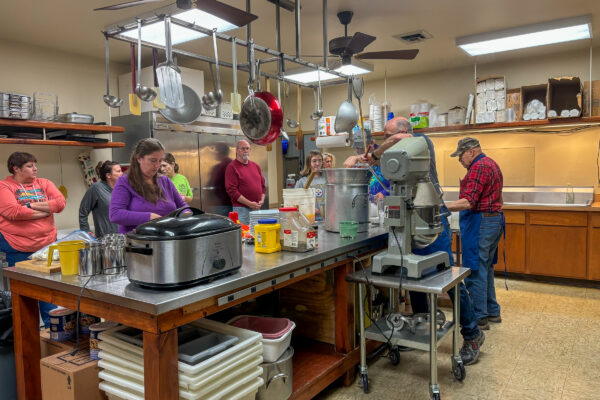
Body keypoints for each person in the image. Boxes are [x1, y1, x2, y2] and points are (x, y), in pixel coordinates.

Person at [358, 117, 484, 365]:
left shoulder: (421, 142)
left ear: (405, 131)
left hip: (431, 221)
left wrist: (373, 154)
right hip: (406, 221)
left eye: (387, 135)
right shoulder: (397, 155)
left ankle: (472, 334)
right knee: (412, 276)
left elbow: (395, 139)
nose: (386, 139)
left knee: (447, 279)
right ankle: (421, 326)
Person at [0, 152, 66, 327]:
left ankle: (51, 335)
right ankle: (28, 342)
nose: (35, 169)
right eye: (30, 166)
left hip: (46, 246)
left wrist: (28, 205)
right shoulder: (5, 186)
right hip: (18, 247)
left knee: (48, 293)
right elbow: (13, 212)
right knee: (25, 297)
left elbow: (60, 204)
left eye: (35, 165)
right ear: (16, 169)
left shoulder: (44, 183)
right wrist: (45, 210)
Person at [446, 137, 504, 331]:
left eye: (460, 156)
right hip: (493, 220)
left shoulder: (479, 167)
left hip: (482, 222)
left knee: (475, 269)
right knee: (486, 267)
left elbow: (469, 201)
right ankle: (492, 311)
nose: (459, 161)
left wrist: (442, 207)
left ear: (471, 151)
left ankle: (479, 316)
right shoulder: (491, 163)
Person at [110, 138, 188, 234]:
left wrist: (187, 214)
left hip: (166, 239)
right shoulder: (124, 182)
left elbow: (183, 206)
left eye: (159, 161)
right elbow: (115, 214)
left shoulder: (165, 181)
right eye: (153, 160)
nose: (157, 166)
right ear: (139, 158)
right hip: (137, 243)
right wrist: (149, 217)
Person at [225, 140, 266, 225]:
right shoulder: (232, 167)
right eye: (243, 149)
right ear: (237, 150)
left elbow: (263, 186)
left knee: (257, 235)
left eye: (247, 148)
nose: (246, 151)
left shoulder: (255, 166)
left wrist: (262, 200)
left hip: (257, 209)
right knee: (243, 236)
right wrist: (249, 203)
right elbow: (232, 191)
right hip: (241, 210)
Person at [79, 161, 122, 238]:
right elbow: (83, 211)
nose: (122, 173)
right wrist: (85, 231)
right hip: (105, 241)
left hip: (123, 239)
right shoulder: (96, 188)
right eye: (118, 171)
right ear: (108, 175)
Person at [295, 150, 326, 220]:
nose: (317, 163)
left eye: (320, 160)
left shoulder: (327, 179)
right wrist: (309, 208)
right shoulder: (302, 181)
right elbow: (296, 201)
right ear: (309, 163)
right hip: (308, 218)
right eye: (314, 161)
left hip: (326, 219)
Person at [208, 142, 233, 216]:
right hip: (230, 203)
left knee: (221, 226)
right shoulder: (232, 164)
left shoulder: (221, 167)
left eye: (215, 151)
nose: (214, 154)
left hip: (222, 204)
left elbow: (213, 183)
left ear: (220, 152)